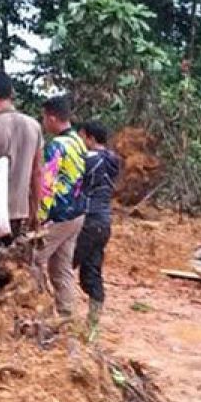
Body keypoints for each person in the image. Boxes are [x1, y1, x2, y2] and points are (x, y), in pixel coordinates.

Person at [38, 95, 89, 317]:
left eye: (44, 118)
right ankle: (67, 315)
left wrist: (40, 215)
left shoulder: (57, 146)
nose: (43, 123)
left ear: (51, 117)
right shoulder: (79, 142)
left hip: (60, 214)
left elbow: (47, 183)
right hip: (78, 212)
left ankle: (41, 311)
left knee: (35, 260)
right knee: (61, 267)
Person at [0, 70, 43, 239]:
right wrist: (35, 210)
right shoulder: (34, 126)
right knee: (11, 262)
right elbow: (37, 172)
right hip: (18, 213)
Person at [73, 120, 121, 338]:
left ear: (89, 137)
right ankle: (92, 326)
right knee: (91, 273)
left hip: (88, 220)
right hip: (103, 222)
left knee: (62, 266)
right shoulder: (113, 160)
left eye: (81, 137)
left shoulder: (89, 159)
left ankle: (61, 318)